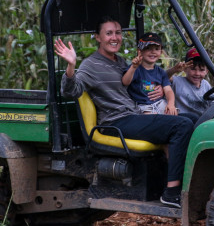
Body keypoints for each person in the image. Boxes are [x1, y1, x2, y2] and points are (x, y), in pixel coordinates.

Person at [54, 16, 194, 208]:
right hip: (117, 122)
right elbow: (70, 91)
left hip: (135, 116)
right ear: (97, 37)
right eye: (109, 33)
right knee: (182, 125)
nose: (115, 37)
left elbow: (144, 80)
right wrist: (71, 66)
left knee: (192, 119)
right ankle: (171, 192)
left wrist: (161, 88)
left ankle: (186, 182)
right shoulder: (91, 65)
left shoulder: (121, 62)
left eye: (118, 33)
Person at [122, 32, 176, 115]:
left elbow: (168, 90)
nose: (153, 52)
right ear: (140, 51)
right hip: (142, 105)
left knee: (172, 114)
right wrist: (133, 67)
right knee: (151, 118)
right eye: (148, 48)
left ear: (161, 52)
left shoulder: (161, 72)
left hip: (159, 103)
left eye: (156, 49)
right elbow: (125, 82)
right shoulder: (135, 68)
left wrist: (171, 104)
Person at [167, 48, 211, 119]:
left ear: (206, 71)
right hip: (184, 121)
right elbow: (163, 76)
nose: (197, 73)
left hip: (203, 122)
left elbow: (213, 100)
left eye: (201, 70)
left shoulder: (206, 85)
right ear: (185, 69)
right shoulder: (177, 81)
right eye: (193, 69)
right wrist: (174, 70)